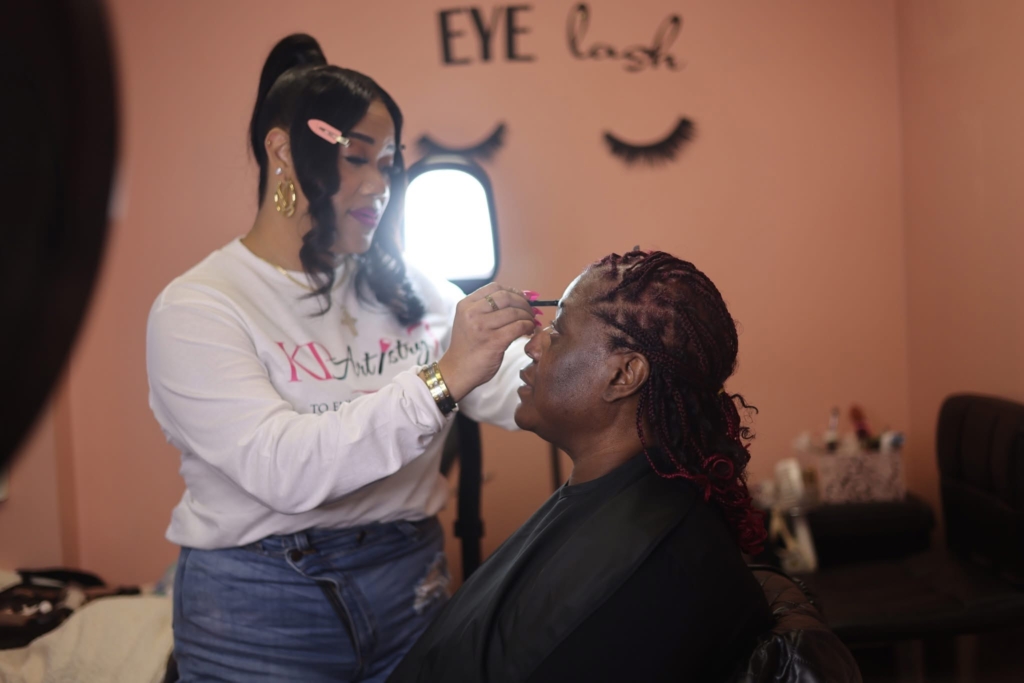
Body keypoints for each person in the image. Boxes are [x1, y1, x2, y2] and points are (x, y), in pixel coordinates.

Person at [145, 34, 538, 682]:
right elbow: (284, 469)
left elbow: (509, 385)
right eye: (359, 158)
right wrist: (442, 377)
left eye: (389, 162)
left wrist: (583, 350)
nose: (381, 185)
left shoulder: (411, 285)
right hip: (261, 605)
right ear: (281, 150)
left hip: (413, 584)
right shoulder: (199, 307)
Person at [388, 249, 775, 683]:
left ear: (623, 374)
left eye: (557, 331)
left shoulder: (646, 574)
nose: (532, 346)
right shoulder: (618, 498)